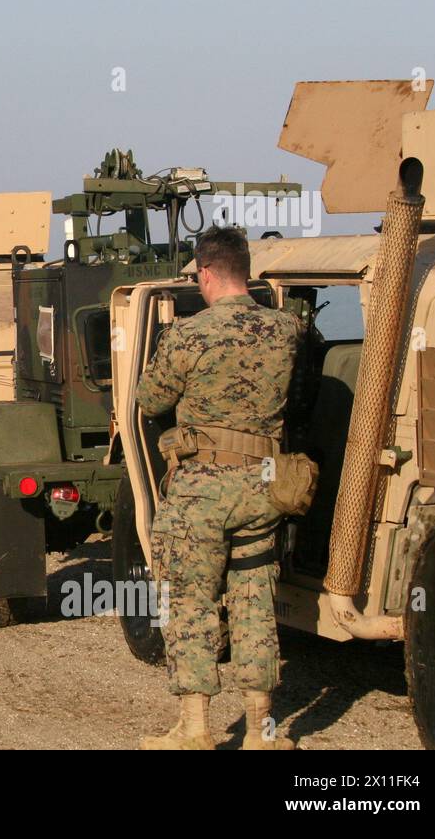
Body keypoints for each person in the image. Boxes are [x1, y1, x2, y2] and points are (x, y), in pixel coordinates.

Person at [135, 226, 302, 750]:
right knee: (254, 599)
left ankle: (196, 729)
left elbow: (150, 399)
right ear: (244, 270)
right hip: (263, 488)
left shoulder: (188, 334)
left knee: (191, 601)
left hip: (201, 491)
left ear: (206, 273)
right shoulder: (286, 329)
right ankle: (260, 732)